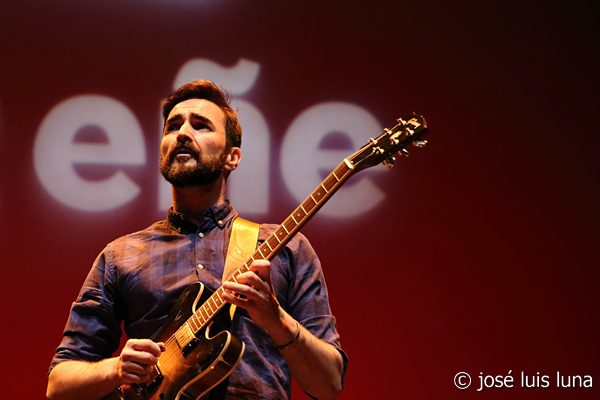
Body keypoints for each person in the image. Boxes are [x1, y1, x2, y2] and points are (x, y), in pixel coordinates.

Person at [46, 80, 347, 400]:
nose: (182, 133)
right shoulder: (120, 255)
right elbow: (59, 385)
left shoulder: (286, 247)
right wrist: (116, 369)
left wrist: (277, 320)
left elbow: (329, 384)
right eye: (173, 126)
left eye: (201, 125)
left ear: (233, 157)